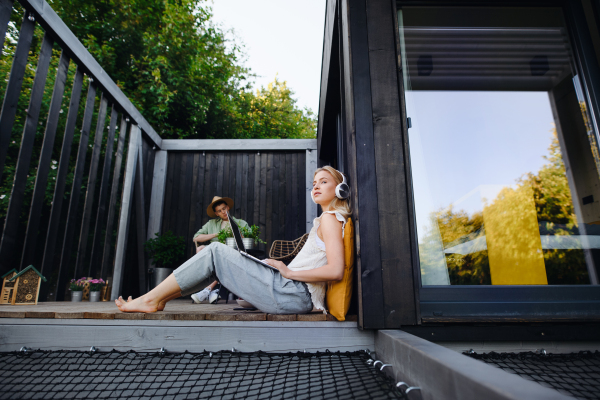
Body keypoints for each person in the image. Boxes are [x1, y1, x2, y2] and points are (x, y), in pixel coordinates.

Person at [115, 166, 350, 315]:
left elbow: (336, 270)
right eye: (314, 183)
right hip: (289, 291)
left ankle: (149, 298)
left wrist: (287, 272)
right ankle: (159, 299)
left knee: (215, 251)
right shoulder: (327, 219)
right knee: (218, 257)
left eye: (324, 181)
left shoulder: (330, 219)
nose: (316, 186)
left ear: (340, 189)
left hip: (293, 292)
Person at [190, 196, 249, 304]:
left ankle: (208, 289)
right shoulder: (211, 224)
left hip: (232, 254)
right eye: (219, 211)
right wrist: (216, 234)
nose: (223, 212)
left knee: (220, 259)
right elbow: (196, 238)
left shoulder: (241, 223)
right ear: (216, 213)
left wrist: (238, 235)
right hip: (214, 254)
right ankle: (212, 290)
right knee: (200, 248)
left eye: (224, 208)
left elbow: (251, 241)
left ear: (228, 207)